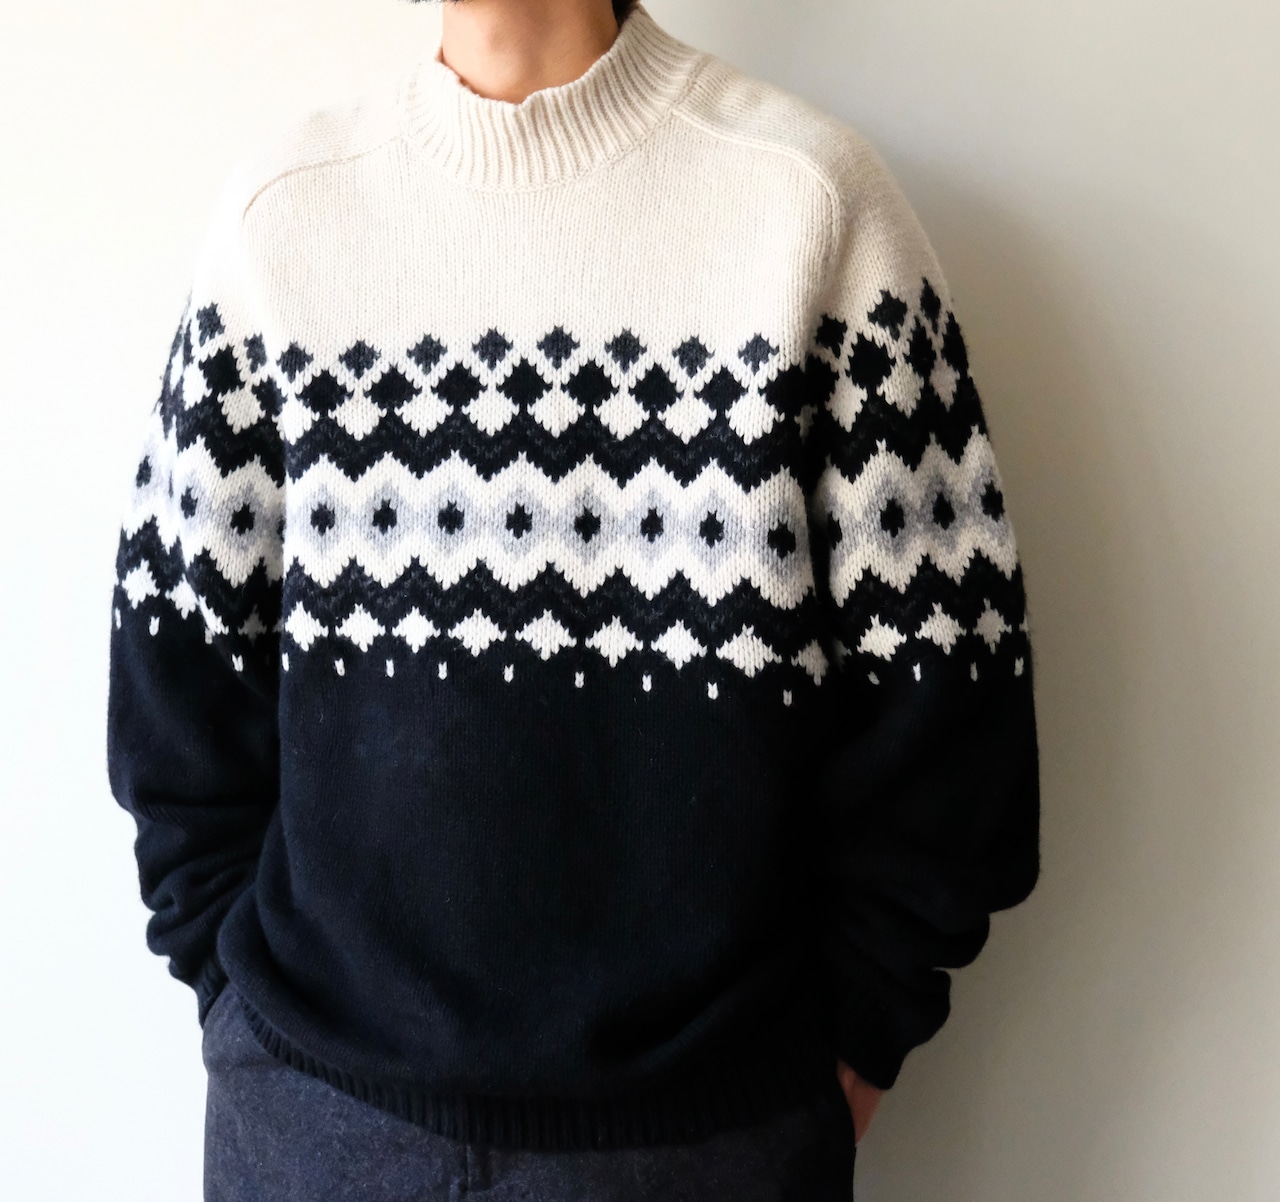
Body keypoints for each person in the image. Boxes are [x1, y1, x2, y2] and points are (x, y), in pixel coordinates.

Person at [104, 0, 1041, 1197]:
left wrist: (853, 1033)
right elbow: (176, 671)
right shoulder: (283, 219)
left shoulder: (808, 202)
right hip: (312, 1127)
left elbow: (949, 688)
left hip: (703, 1142)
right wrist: (240, 1010)